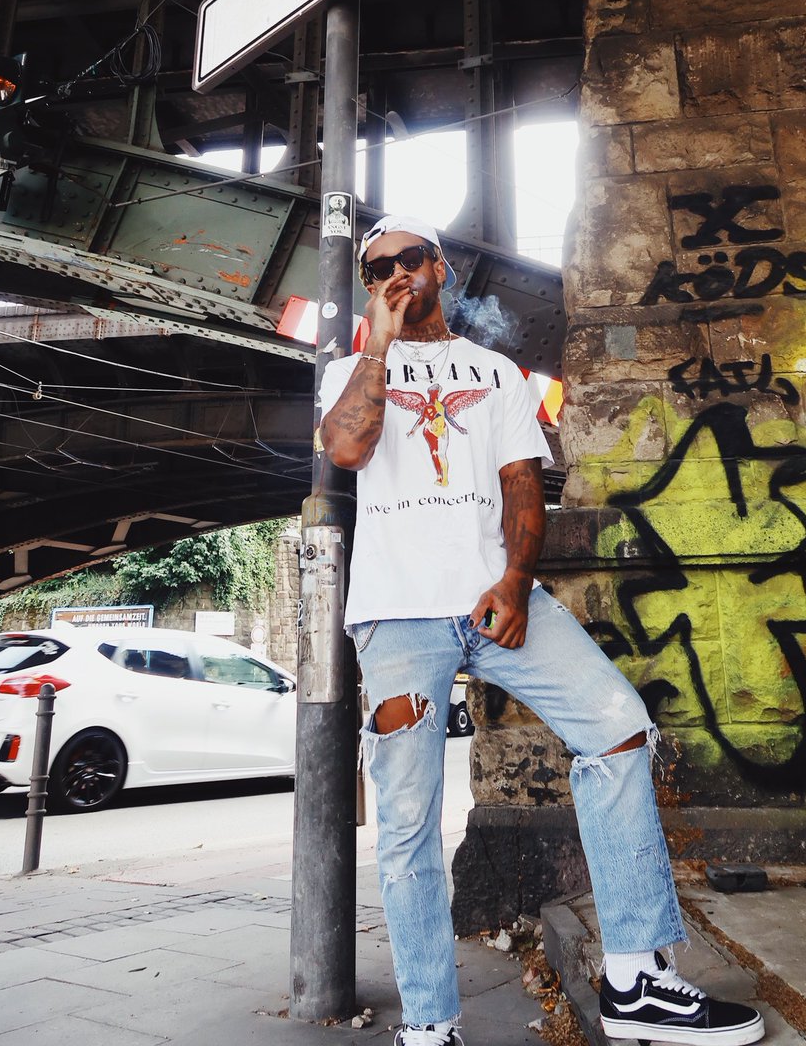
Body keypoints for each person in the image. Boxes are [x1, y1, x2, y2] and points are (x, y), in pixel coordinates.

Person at [317, 213, 766, 1046]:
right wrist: (376, 340)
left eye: (409, 260)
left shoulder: (495, 372)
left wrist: (517, 583)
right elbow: (346, 451)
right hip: (398, 614)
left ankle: (634, 977)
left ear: (441, 268)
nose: (394, 275)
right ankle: (429, 1024)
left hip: (496, 597)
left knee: (617, 727)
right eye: (376, 269)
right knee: (408, 824)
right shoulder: (349, 371)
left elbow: (523, 483)